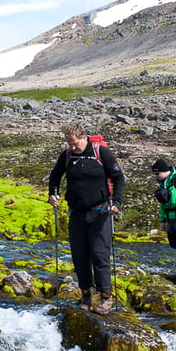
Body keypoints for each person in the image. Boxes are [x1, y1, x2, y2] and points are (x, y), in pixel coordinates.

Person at [48, 124, 125, 314]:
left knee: (99, 255)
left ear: (84, 137)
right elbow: (55, 176)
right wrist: (53, 193)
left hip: (100, 212)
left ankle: (106, 297)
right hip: (76, 213)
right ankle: (85, 295)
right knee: (80, 257)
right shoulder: (67, 155)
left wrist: (117, 202)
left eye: (74, 144)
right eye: (69, 144)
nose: (72, 148)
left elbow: (118, 177)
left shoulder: (101, 153)